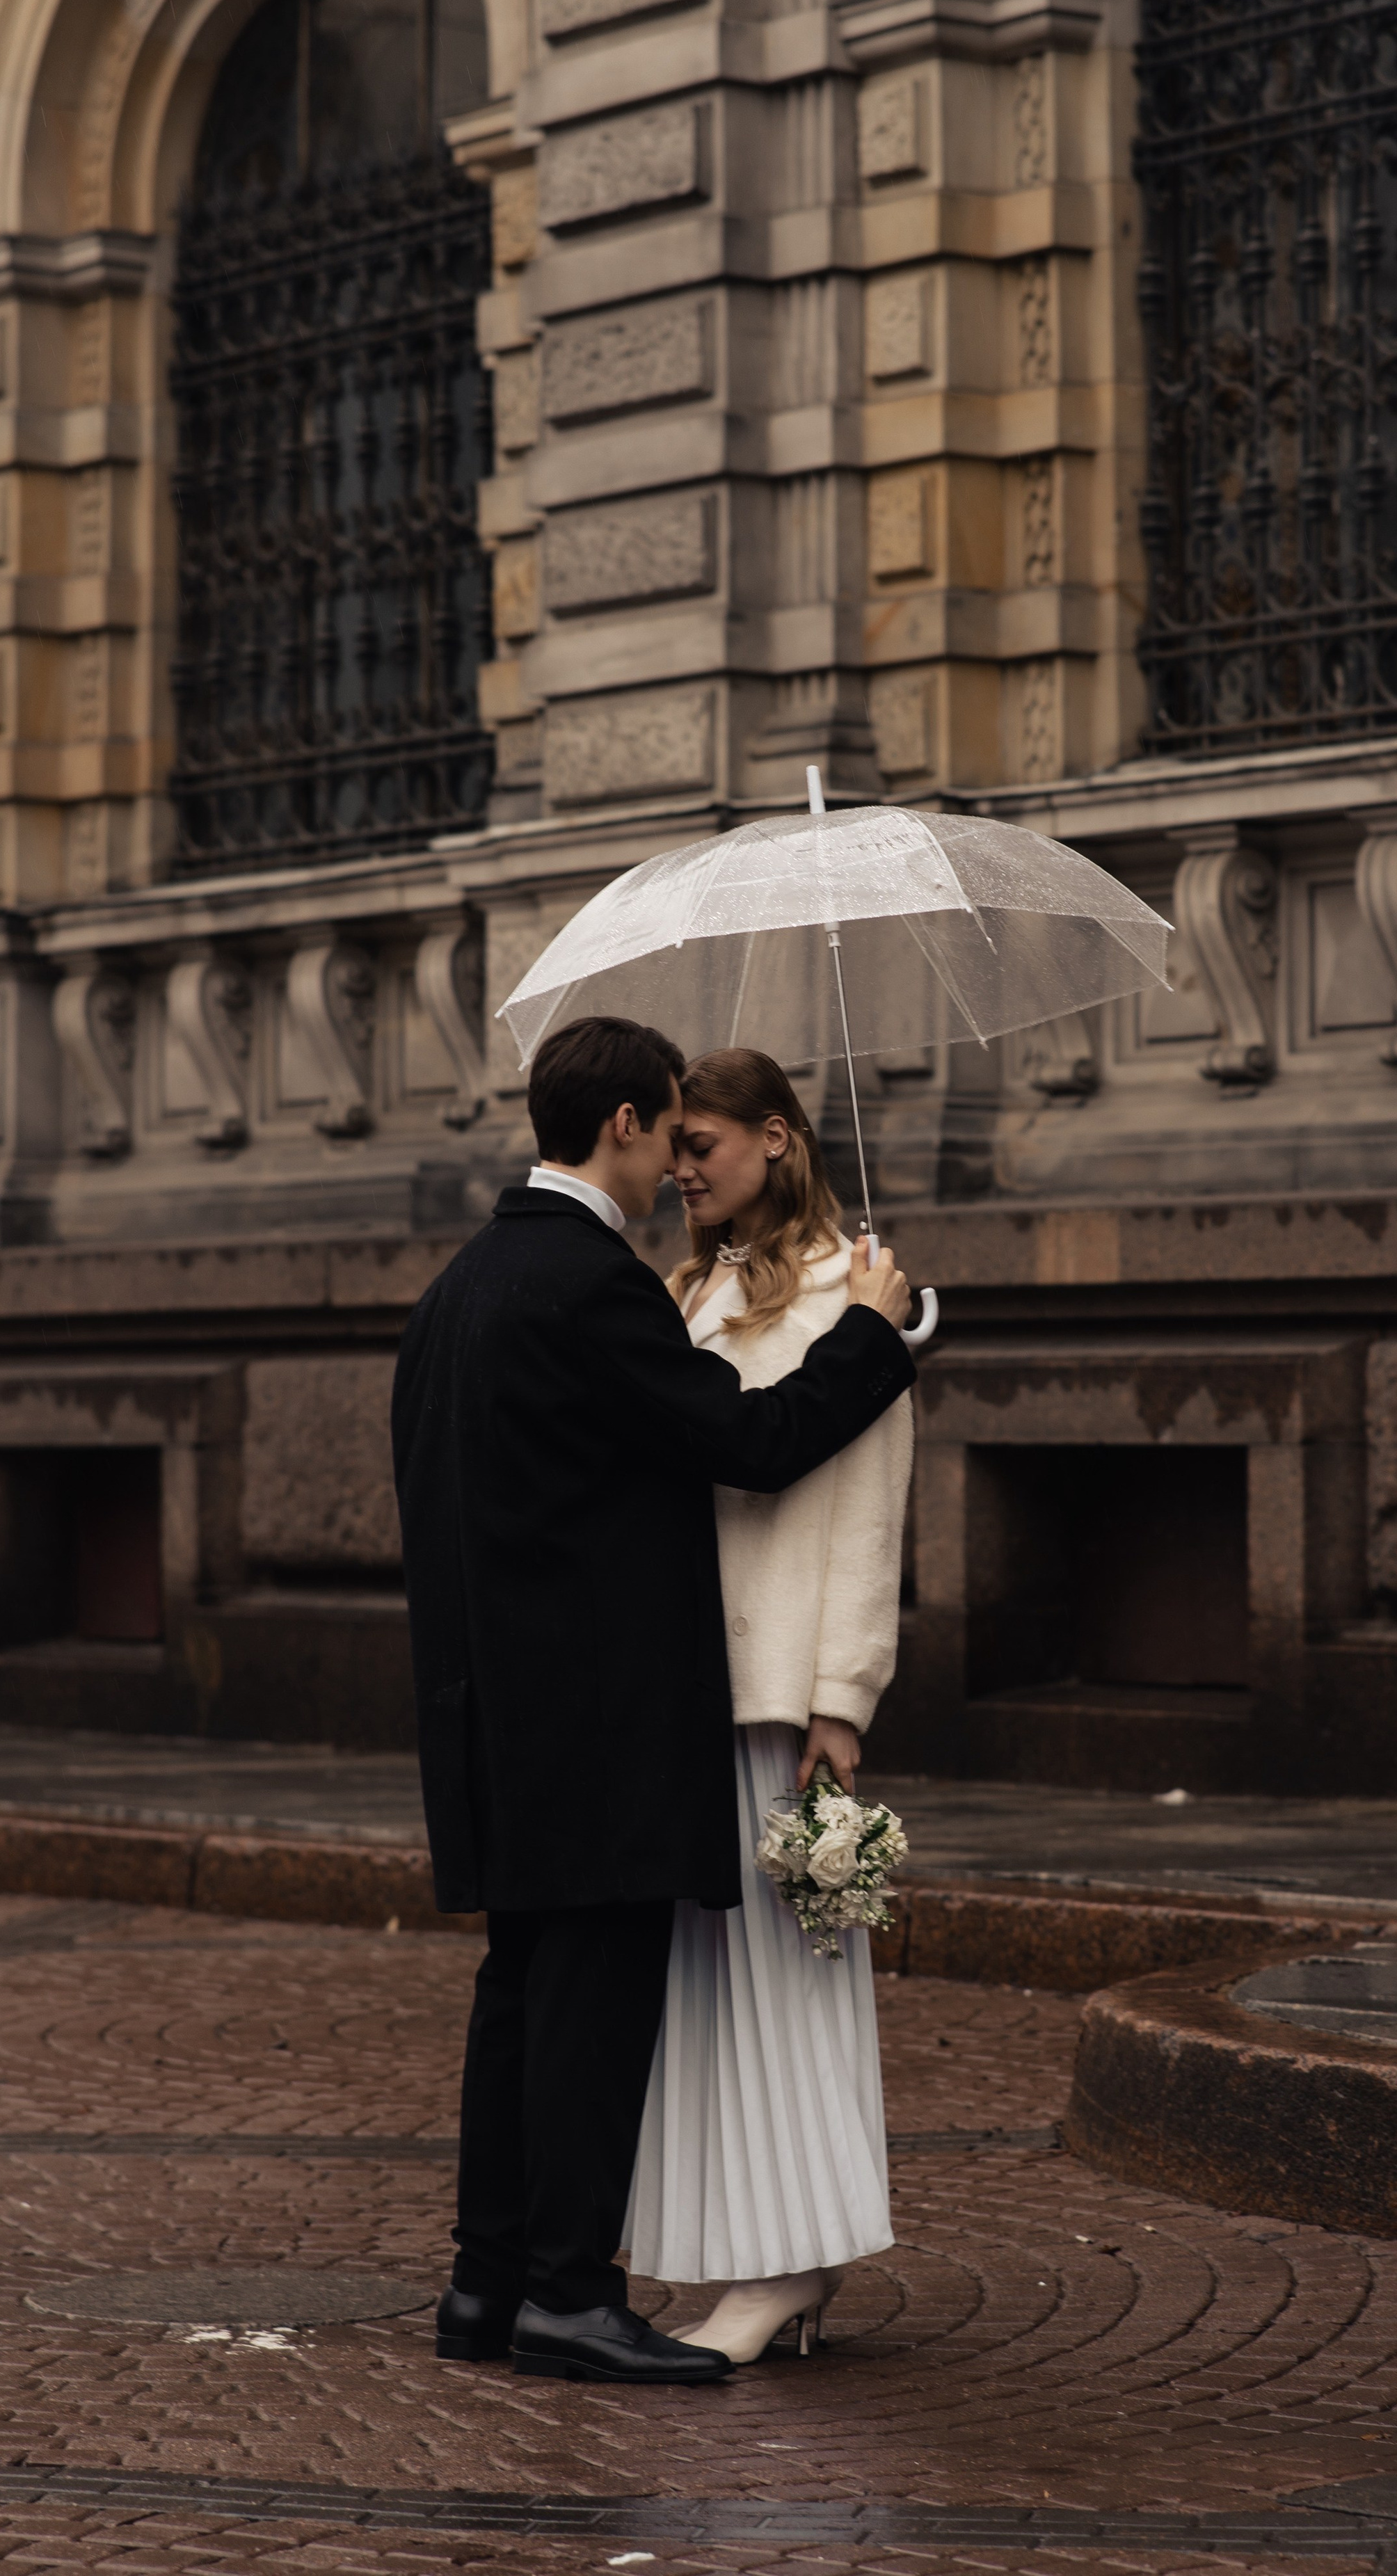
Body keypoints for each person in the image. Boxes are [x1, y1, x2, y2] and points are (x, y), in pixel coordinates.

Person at [390, 1014, 915, 2389]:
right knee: (586, 2011)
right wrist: (876, 1336)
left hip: (489, 1719)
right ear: (623, 1123)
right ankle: (568, 2293)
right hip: (599, 1728)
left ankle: (486, 2286)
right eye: (667, 1131)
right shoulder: (595, 1285)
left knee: (518, 1998)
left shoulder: (458, 1289)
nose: (675, 1164)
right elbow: (750, 1439)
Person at [622, 1048, 913, 2364]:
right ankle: (753, 2248)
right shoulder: (688, 1290)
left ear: (777, 1139)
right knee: (707, 1988)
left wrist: (842, 1699)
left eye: (703, 1145)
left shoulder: (858, 1287)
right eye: (674, 1147)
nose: (682, 1169)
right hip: (693, 1681)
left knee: (792, 1979)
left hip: (783, 1694)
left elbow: (870, 1507)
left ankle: (793, 2262)